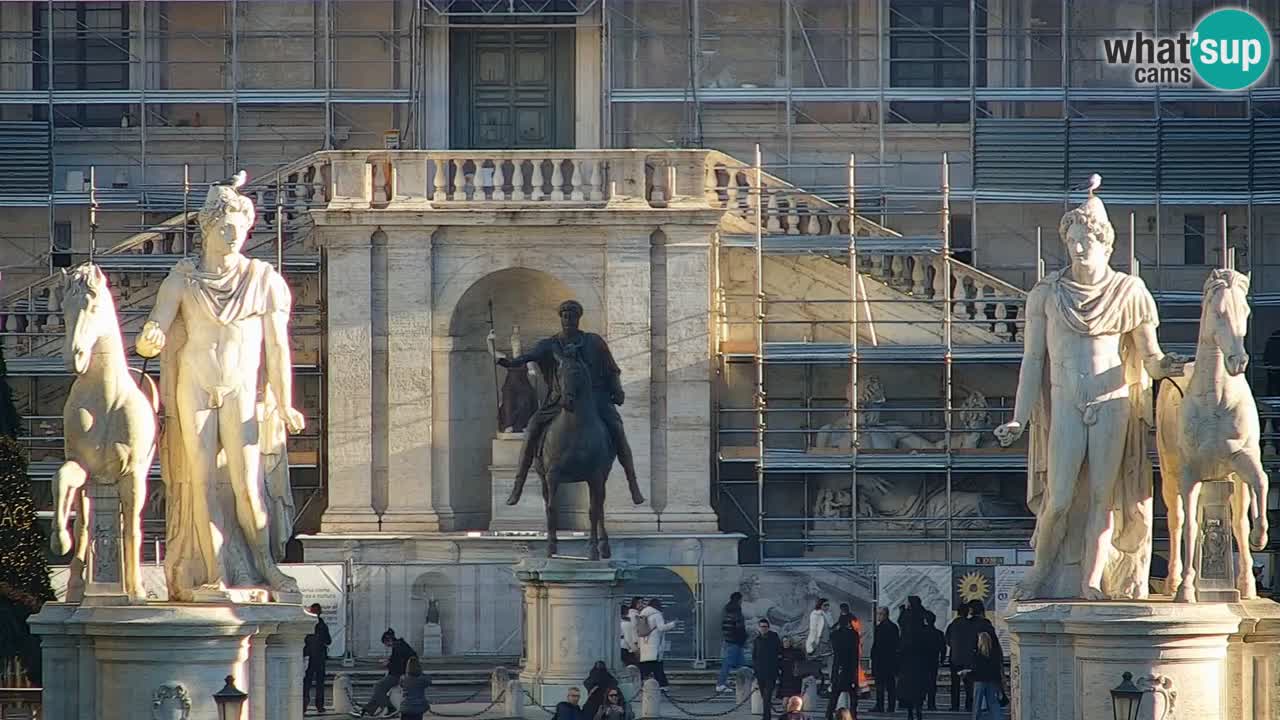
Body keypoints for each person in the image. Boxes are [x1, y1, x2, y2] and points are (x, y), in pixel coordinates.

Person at [995, 192, 1184, 601]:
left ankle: (1092, 579)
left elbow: (1149, 357)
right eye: (1072, 241)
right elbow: (1032, 361)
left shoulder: (1129, 291)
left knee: (1105, 496)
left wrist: (1165, 366)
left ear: (1105, 243)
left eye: (1086, 240)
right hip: (1066, 404)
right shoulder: (1046, 294)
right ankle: (1041, 571)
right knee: (1059, 498)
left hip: (1112, 401)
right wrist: (1019, 417)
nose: (1078, 248)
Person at [497, 299, 645, 507]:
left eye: (572, 316)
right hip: (559, 400)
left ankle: (633, 485)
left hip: (596, 399)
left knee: (617, 429)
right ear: (561, 318)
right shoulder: (549, 344)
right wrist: (510, 363)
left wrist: (617, 389)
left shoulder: (594, 342)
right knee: (531, 429)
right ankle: (518, 485)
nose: (569, 319)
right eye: (565, 316)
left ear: (578, 318)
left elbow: (612, 369)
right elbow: (529, 356)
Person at [356, 628, 418, 717]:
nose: (387, 646)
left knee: (378, 686)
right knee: (379, 690)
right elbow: (398, 660)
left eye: (386, 643)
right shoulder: (400, 645)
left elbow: (398, 666)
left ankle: (389, 707)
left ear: (388, 640)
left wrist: (387, 664)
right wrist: (389, 661)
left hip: (399, 675)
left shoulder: (397, 647)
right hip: (402, 673)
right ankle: (367, 710)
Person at [825, 614, 860, 720]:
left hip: (838, 667)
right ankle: (853, 715)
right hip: (850, 667)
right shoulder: (854, 635)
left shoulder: (835, 634)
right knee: (853, 696)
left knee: (834, 695)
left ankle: (829, 715)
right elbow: (855, 653)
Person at [637, 598, 676, 688]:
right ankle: (663, 685)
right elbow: (661, 628)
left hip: (644, 644)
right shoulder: (656, 615)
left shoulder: (642, 614)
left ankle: (643, 685)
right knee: (658, 667)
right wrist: (672, 624)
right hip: (654, 645)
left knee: (646, 667)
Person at [303, 603, 331, 715]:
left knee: (307, 682)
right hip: (318, 657)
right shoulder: (322, 625)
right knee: (319, 682)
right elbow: (328, 640)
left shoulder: (307, 624)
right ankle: (319, 706)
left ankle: (304, 706)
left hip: (310, 656)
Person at [945, 608, 976, 712]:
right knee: (969, 683)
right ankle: (969, 705)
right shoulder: (971, 625)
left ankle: (955, 705)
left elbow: (947, 640)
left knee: (955, 684)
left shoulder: (952, 625)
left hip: (955, 657)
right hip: (968, 657)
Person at [718, 591, 749, 692]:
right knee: (728, 663)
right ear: (739, 600)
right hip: (735, 641)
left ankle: (741, 682)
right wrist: (744, 639)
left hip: (729, 640)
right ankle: (721, 684)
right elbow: (740, 628)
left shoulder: (727, 610)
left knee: (741, 663)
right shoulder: (737, 612)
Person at [752, 619, 783, 720]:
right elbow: (754, 656)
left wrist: (778, 667)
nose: (763, 629)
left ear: (768, 627)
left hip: (771, 672)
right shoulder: (757, 640)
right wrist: (755, 670)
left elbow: (779, 652)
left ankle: (766, 717)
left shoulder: (774, 637)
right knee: (763, 696)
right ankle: (766, 715)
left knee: (767, 696)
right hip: (760, 673)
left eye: (765, 627)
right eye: (761, 627)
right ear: (759, 628)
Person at [969, 633, 1004, 720]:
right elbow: (997, 670)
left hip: (979, 681)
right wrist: (999, 684)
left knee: (977, 704)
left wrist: (967, 674)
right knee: (993, 703)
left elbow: (975, 670)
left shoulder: (976, 655)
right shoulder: (994, 655)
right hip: (992, 680)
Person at [870, 608, 898, 713]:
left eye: (880, 614)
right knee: (891, 685)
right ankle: (891, 706)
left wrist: (873, 657)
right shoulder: (894, 627)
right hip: (891, 660)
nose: (878, 616)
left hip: (881, 661)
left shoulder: (880, 628)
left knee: (880, 685)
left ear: (885, 615)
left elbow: (877, 645)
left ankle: (880, 705)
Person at [805, 598, 834, 690]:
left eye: (828, 605)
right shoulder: (815, 614)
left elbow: (831, 627)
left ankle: (829, 684)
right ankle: (817, 684)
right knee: (817, 664)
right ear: (820, 605)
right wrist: (813, 642)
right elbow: (813, 629)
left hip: (828, 642)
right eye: (825, 605)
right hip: (819, 642)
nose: (827, 607)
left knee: (830, 663)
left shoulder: (829, 615)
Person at [923, 611, 945, 712]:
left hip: (922, 661)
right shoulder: (939, 633)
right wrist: (942, 659)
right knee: (932, 683)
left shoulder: (921, 633)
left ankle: (920, 701)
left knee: (921, 682)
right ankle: (931, 704)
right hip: (933, 661)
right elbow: (943, 648)